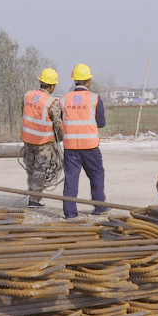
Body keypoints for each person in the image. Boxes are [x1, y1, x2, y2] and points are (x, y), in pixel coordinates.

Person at [61, 63, 108, 218]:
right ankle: (99, 207)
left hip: (71, 146)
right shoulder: (94, 98)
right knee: (96, 174)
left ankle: (70, 213)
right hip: (90, 146)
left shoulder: (64, 99)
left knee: (71, 179)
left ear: (75, 81)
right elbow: (101, 122)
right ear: (88, 81)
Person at [21, 68, 64, 208]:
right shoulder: (51, 102)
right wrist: (61, 139)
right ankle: (34, 200)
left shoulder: (27, 95)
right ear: (51, 86)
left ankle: (34, 196)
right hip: (42, 142)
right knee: (41, 170)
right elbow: (57, 124)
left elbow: (24, 112)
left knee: (32, 169)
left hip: (27, 140)